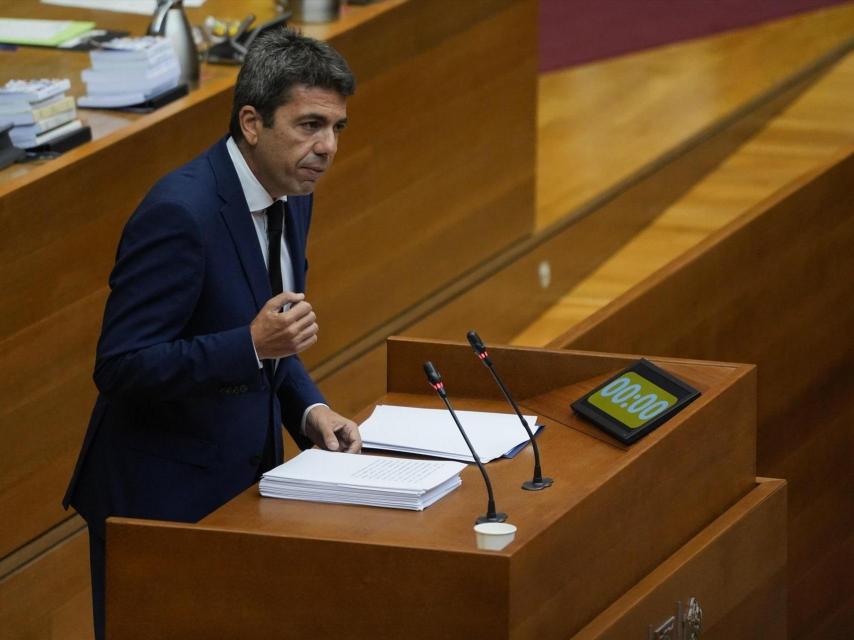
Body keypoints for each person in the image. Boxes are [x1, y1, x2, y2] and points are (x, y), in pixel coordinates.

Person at [62, 28, 361, 640]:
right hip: (158, 505)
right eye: (309, 125)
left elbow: (271, 326)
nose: (326, 147)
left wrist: (308, 408)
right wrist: (250, 345)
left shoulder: (291, 191)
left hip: (241, 485)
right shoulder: (180, 213)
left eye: (336, 128)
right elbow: (121, 365)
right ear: (251, 122)